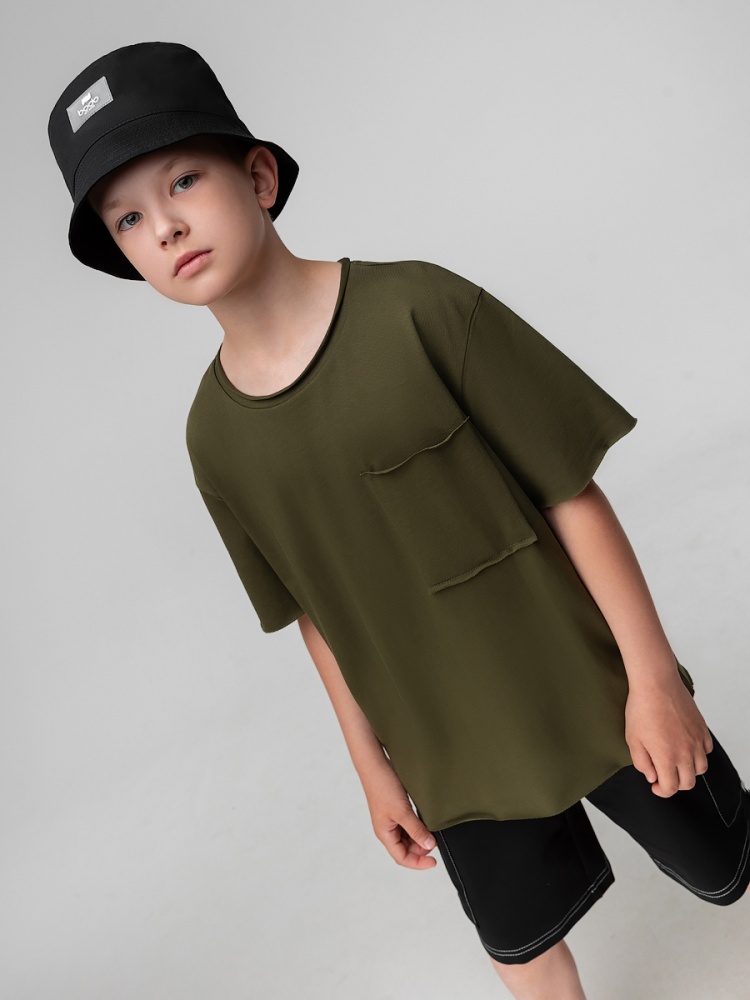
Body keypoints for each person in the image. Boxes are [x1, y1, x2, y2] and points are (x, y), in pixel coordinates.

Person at [48, 40, 749, 1000]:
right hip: (447, 748)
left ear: (258, 177)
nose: (165, 226)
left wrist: (654, 678)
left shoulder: (422, 307)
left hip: (591, 684)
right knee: (520, 944)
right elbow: (313, 614)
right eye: (128, 217)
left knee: (726, 855)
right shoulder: (214, 438)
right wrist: (372, 767)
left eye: (183, 181)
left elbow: (570, 491)